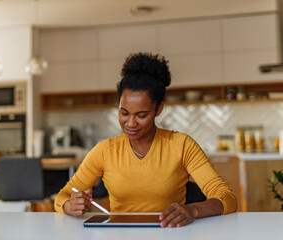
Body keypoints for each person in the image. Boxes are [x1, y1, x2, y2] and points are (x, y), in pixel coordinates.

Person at [54, 52, 237, 228]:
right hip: (120, 234)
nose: (131, 123)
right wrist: (70, 206)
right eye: (124, 113)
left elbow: (226, 197)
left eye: (141, 115)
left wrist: (192, 210)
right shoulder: (105, 150)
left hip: (170, 232)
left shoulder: (181, 145)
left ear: (158, 109)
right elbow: (63, 196)